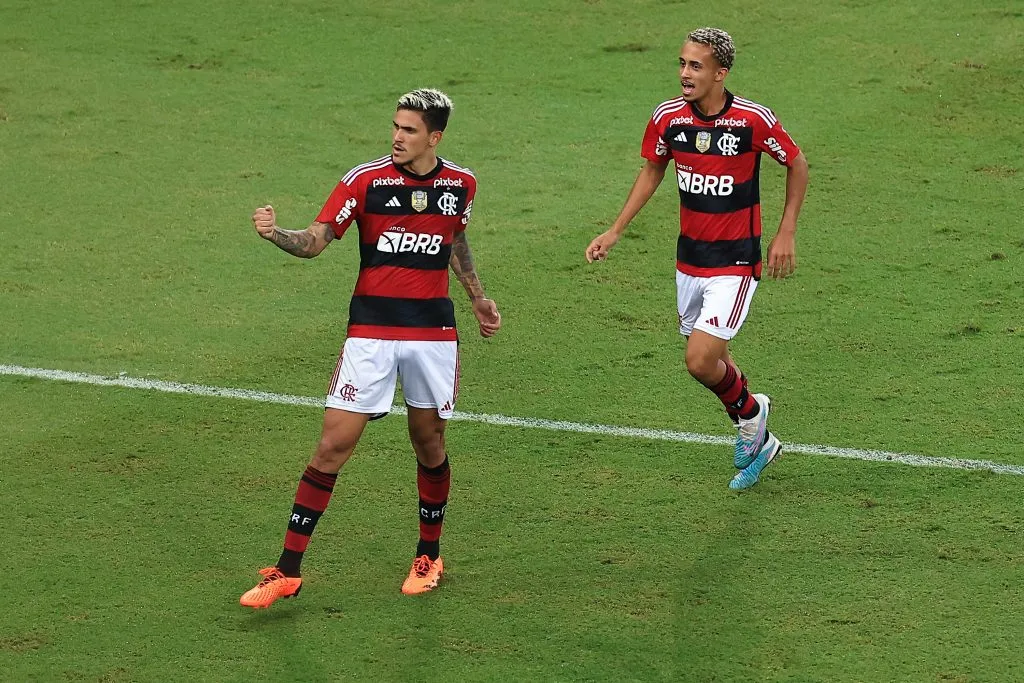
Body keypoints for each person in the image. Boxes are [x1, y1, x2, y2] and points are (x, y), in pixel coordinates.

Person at [240, 88, 501, 608]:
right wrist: (275, 234)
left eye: (409, 130)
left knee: (428, 443)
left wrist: (478, 298)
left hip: (432, 335)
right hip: (371, 334)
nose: (397, 137)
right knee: (332, 445)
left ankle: (429, 554)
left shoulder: (462, 184)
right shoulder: (366, 181)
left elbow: (453, 240)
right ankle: (287, 570)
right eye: (396, 127)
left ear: (435, 136)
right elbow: (315, 241)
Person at [585, 28, 808, 490]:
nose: (685, 74)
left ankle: (751, 417)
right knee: (715, 361)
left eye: (696, 66)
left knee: (700, 360)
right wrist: (615, 229)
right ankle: (760, 435)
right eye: (682, 64)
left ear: (720, 73)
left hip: (735, 263)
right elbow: (652, 171)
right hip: (689, 262)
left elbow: (797, 163)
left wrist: (786, 231)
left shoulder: (752, 120)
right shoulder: (668, 117)